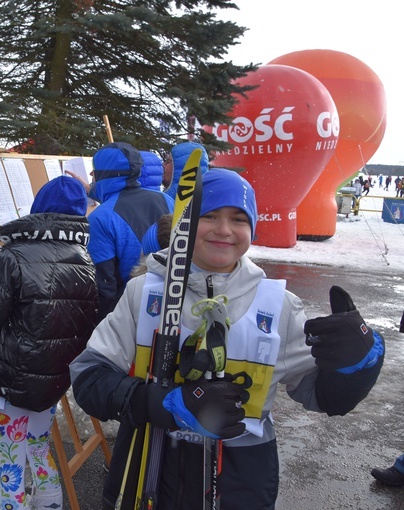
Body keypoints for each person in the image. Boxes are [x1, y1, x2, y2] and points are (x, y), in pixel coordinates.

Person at [70, 168, 384, 510]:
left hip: (240, 480)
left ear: (251, 227)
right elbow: (89, 379)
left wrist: (359, 364)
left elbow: (324, 397)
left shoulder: (277, 305)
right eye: (209, 216)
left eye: (238, 218)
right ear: (185, 223)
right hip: (149, 466)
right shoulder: (144, 293)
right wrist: (164, 404)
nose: (224, 229)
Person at [0, 176, 99, 510]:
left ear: (39, 209)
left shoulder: (14, 256)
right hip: (52, 380)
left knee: (10, 463)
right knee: (39, 448)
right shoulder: (84, 258)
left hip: (9, 380)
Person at [86, 142, 175, 321]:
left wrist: (102, 327)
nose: (91, 175)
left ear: (104, 174)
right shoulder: (166, 199)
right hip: (173, 300)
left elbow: (105, 283)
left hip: (130, 311)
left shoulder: (101, 217)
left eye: (94, 170)